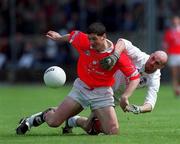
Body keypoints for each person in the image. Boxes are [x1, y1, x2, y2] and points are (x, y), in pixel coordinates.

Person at [16, 22, 140, 135]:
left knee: (113, 132)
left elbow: (135, 77)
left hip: (102, 93)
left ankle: (73, 120)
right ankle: (32, 120)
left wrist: (125, 96)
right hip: (81, 88)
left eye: (94, 39)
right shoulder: (84, 40)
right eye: (89, 38)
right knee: (54, 122)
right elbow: (73, 35)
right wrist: (59, 38)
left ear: (104, 36)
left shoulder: (117, 56)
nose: (91, 42)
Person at [62, 38, 168, 135]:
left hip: (113, 98)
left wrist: (138, 109)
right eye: (153, 58)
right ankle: (57, 115)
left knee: (94, 127)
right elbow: (123, 42)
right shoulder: (139, 56)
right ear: (151, 54)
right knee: (73, 114)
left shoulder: (155, 78)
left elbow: (150, 104)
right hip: (101, 86)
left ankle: (71, 121)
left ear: (161, 67)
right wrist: (115, 55)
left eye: (157, 63)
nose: (152, 62)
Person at [163, 15, 180, 97]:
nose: (175, 22)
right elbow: (166, 45)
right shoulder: (169, 32)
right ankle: (175, 90)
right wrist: (166, 55)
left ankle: (178, 87)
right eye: (174, 20)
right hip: (173, 54)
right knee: (174, 74)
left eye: (176, 20)